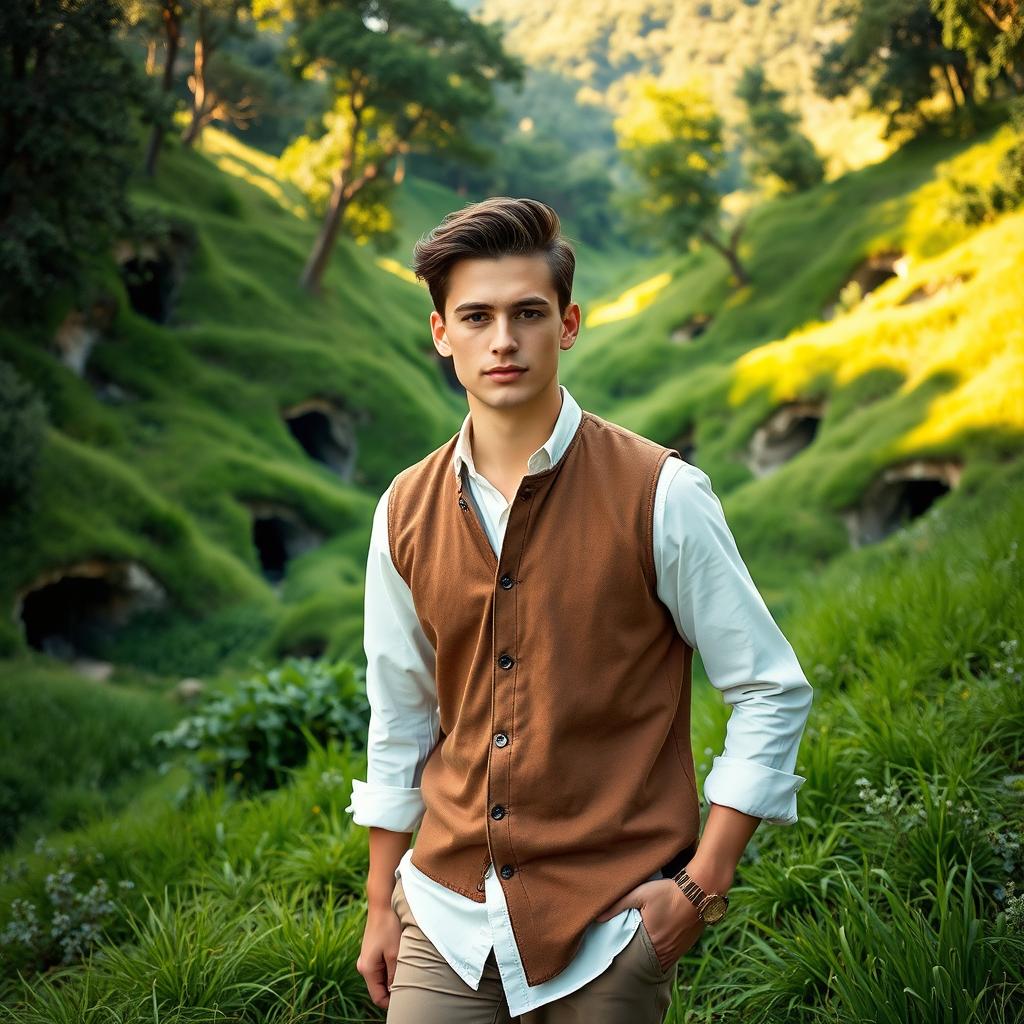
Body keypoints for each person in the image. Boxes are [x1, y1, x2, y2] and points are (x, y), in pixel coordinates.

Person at [344, 196, 813, 1023]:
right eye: (476, 316)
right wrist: (383, 903)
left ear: (567, 324)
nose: (502, 340)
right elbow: (402, 716)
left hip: (612, 923)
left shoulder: (662, 493)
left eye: (527, 313)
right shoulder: (401, 510)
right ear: (440, 333)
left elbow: (770, 688)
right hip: (445, 915)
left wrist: (701, 885)